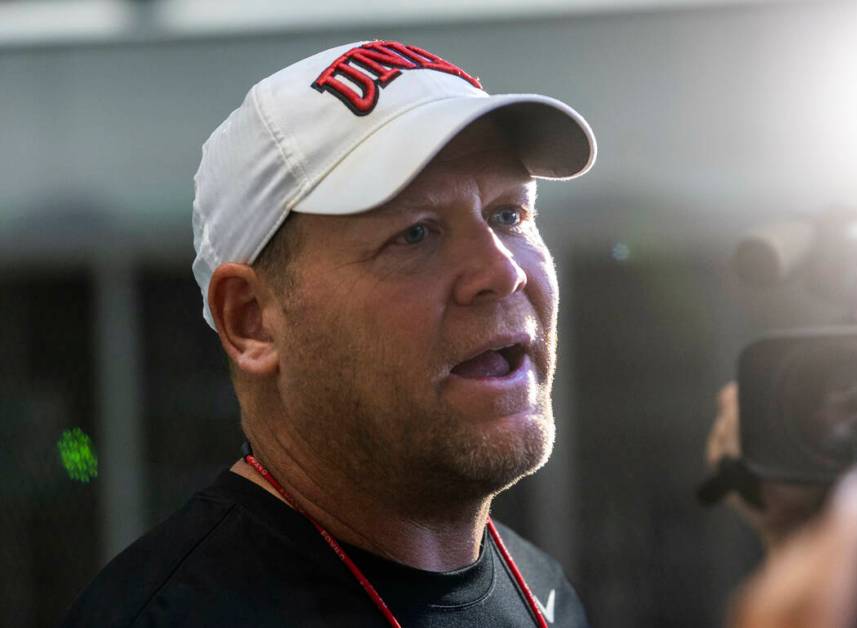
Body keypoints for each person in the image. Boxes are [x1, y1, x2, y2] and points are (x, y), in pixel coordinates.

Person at [61, 39, 597, 627]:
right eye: (416, 234)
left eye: (508, 215)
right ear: (251, 320)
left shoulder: (544, 591)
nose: (503, 270)